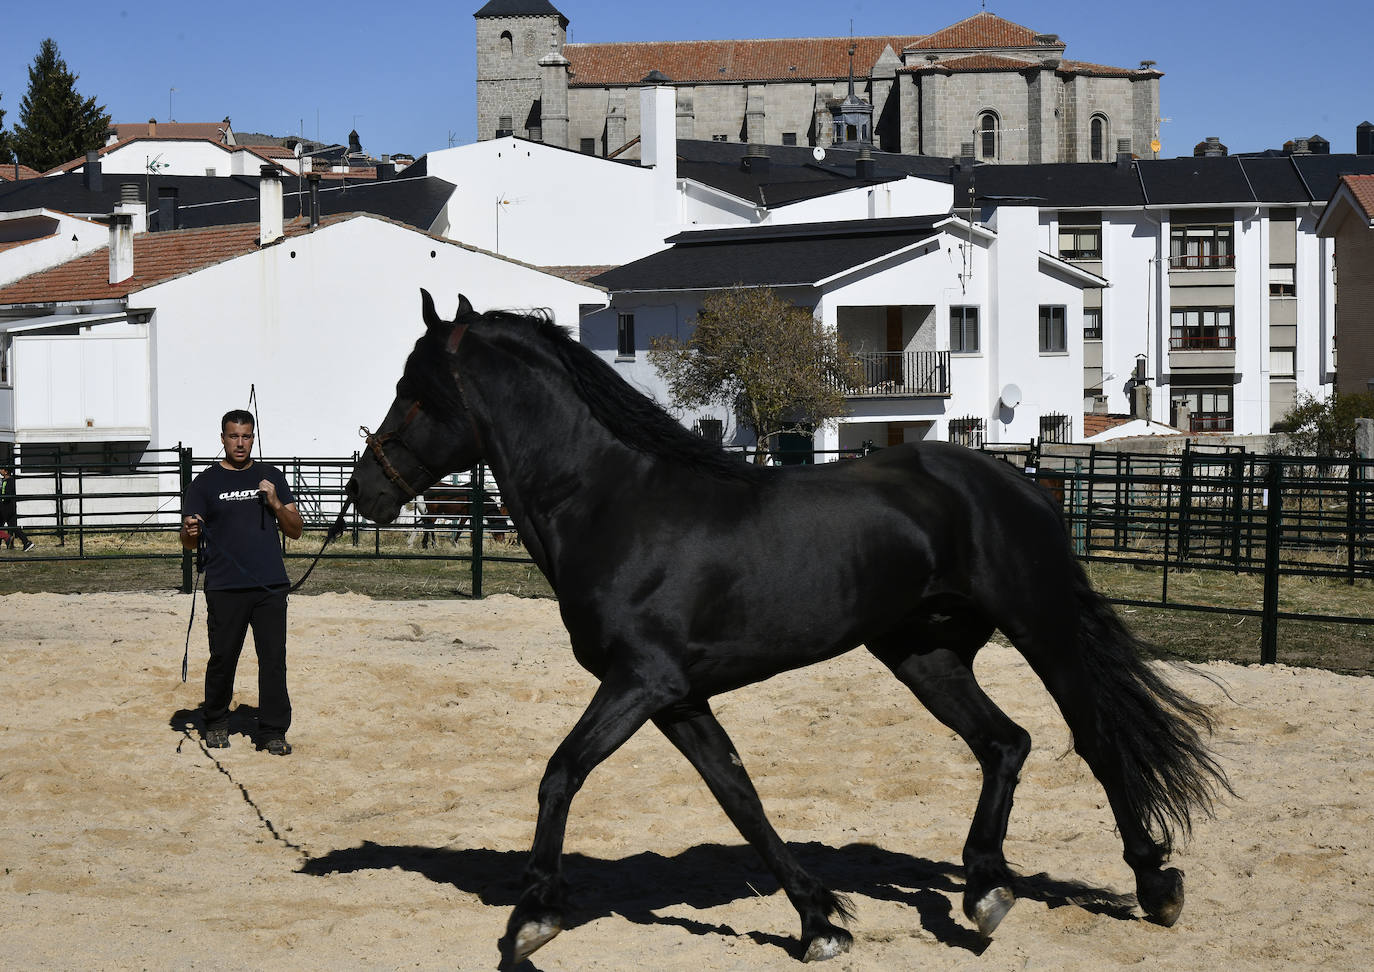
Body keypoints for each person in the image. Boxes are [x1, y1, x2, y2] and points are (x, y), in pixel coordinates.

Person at [181, 410, 304, 755]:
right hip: (223, 586)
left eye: (246, 436)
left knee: (273, 660)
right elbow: (189, 541)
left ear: (254, 437)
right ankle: (217, 721)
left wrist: (276, 503)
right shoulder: (204, 484)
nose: (240, 443)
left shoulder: (271, 476)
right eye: (233, 436)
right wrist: (190, 532)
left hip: (269, 586)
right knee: (223, 657)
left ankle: (273, 731)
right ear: (222, 438)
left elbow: (295, 530)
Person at [0, 466, 35, 551]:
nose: (0, 470)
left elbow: (6, 495)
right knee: (13, 527)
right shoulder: (5, 481)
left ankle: (7, 539)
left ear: (6, 472)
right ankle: (26, 542)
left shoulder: (8, 481)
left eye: (1, 469)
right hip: (10, 507)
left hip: (5, 507)